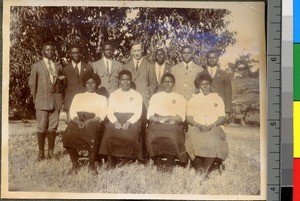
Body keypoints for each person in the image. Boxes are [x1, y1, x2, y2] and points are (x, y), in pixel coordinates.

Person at [63, 73, 107, 174]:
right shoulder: (78, 96)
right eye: (88, 83)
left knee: (92, 132)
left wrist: (89, 121)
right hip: (78, 120)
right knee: (68, 134)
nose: (90, 85)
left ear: (97, 84)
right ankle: (75, 163)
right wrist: (77, 121)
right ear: (84, 84)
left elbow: (102, 115)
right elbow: (73, 111)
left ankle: (91, 165)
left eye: (93, 83)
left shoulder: (101, 98)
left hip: (94, 121)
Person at [185, 73, 229, 175]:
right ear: (199, 85)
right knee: (194, 138)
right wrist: (199, 125)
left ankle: (205, 168)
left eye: (207, 84)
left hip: (214, 126)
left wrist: (212, 125)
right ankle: (199, 167)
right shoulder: (193, 99)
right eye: (202, 84)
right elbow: (189, 118)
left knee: (213, 139)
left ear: (211, 85)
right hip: (197, 126)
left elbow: (222, 118)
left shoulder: (217, 99)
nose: (205, 86)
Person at [99, 70, 143, 168]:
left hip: (131, 119)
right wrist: (115, 122)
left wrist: (129, 122)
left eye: (128, 79)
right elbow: (110, 111)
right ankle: (111, 159)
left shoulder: (137, 95)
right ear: (119, 81)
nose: (125, 82)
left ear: (131, 81)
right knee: (109, 134)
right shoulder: (114, 94)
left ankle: (126, 158)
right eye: (123, 80)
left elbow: (138, 112)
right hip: (116, 118)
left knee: (132, 135)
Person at [28, 42, 64, 161]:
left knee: (53, 127)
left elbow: (60, 85)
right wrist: (36, 100)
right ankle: (41, 153)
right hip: (42, 101)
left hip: (55, 102)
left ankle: (51, 152)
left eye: (52, 50)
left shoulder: (58, 67)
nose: (50, 52)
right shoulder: (37, 66)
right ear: (42, 52)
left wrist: (60, 98)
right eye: (47, 50)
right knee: (42, 127)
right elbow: (32, 84)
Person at [123, 41, 158, 160]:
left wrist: (148, 92)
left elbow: (154, 83)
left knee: (143, 127)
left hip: (144, 101)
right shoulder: (126, 65)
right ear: (131, 52)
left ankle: (143, 154)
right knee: (131, 125)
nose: (137, 53)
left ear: (142, 51)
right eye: (135, 50)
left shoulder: (149, 65)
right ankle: (130, 153)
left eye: (139, 50)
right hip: (129, 101)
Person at [146, 72, 188, 170]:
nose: (167, 84)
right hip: (157, 122)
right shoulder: (155, 97)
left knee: (172, 135)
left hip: (173, 123)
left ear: (174, 83)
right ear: (161, 83)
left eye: (170, 82)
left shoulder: (179, 97)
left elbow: (181, 117)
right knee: (153, 134)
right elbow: (149, 115)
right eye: (165, 82)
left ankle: (170, 160)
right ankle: (158, 160)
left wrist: (169, 119)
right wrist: (158, 120)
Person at [195, 50, 232, 120]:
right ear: (206, 59)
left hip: (219, 107)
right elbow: (196, 92)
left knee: (217, 128)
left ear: (217, 59)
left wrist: (227, 111)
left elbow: (228, 94)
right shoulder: (200, 74)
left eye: (214, 57)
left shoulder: (224, 75)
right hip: (203, 107)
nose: (211, 59)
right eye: (209, 57)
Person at [63, 44, 93, 121]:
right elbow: (64, 86)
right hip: (71, 100)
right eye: (73, 53)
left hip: (85, 100)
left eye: (77, 52)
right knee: (71, 125)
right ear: (70, 54)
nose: (75, 55)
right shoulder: (65, 69)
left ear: (80, 53)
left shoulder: (88, 67)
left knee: (85, 124)